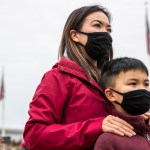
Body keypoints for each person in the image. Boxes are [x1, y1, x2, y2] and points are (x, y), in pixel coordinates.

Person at [23, 5, 137, 150]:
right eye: (97, 25)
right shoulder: (57, 77)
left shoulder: (111, 83)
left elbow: (117, 127)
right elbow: (35, 135)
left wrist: (139, 120)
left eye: (108, 29)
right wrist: (96, 126)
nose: (105, 33)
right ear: (75, 35)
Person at [94, 57, 150, 150]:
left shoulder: (146, 130)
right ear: (111, 94)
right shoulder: (108, 140)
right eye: (133, 83)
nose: (143, 89)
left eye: (146, 84)